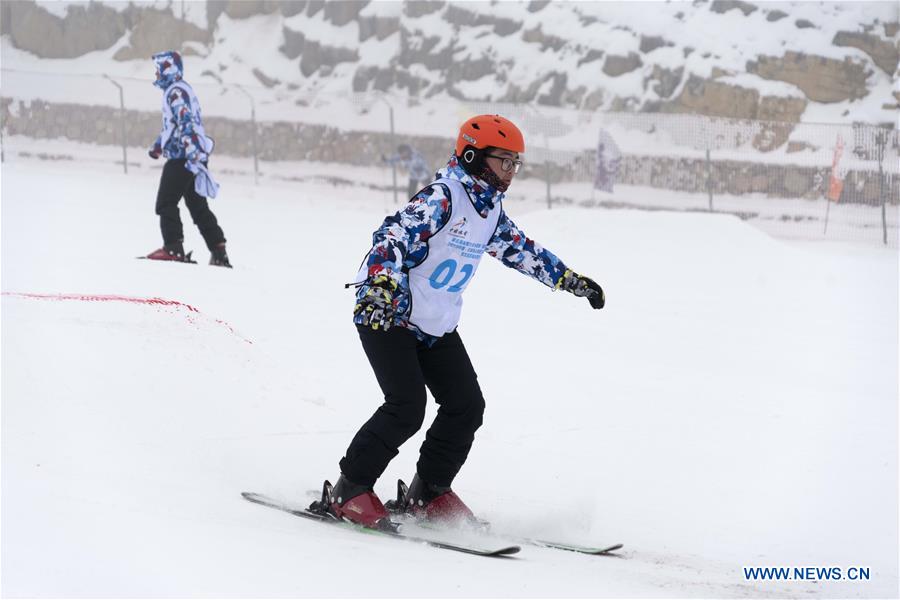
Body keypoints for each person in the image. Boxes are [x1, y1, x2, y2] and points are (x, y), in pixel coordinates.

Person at [323, 115, 605, 530]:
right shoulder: (444, 197)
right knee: (406, 408)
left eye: (516, 163)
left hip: (434, 324)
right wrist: (383, 281)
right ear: (473, 155)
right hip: (389, 314)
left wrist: (567, 279)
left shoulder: (489, 210)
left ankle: (429, 491)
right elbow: (391, 237)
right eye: (503, 161)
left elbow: (520, 250)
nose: (510, 171)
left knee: (466, 406)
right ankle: (349, 490)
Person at [144, 50, 231, 268]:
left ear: (168, 69)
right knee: (197, 205)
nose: (155, 74)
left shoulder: (175, 92)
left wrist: (191, 153)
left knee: (166, 202)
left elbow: (187, 123)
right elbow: (172, 128)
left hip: (183, 157)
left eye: (158, 69)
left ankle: (173, 247)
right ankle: (218, 249)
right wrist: (157, 146)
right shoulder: (180, 90)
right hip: (191, 155)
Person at [593, 127, 622, 193]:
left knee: (607, 176)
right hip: (604, 166)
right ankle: (603, 188)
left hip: (607, 163)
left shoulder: (607, 140)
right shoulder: (604, 140)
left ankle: (605, 188)